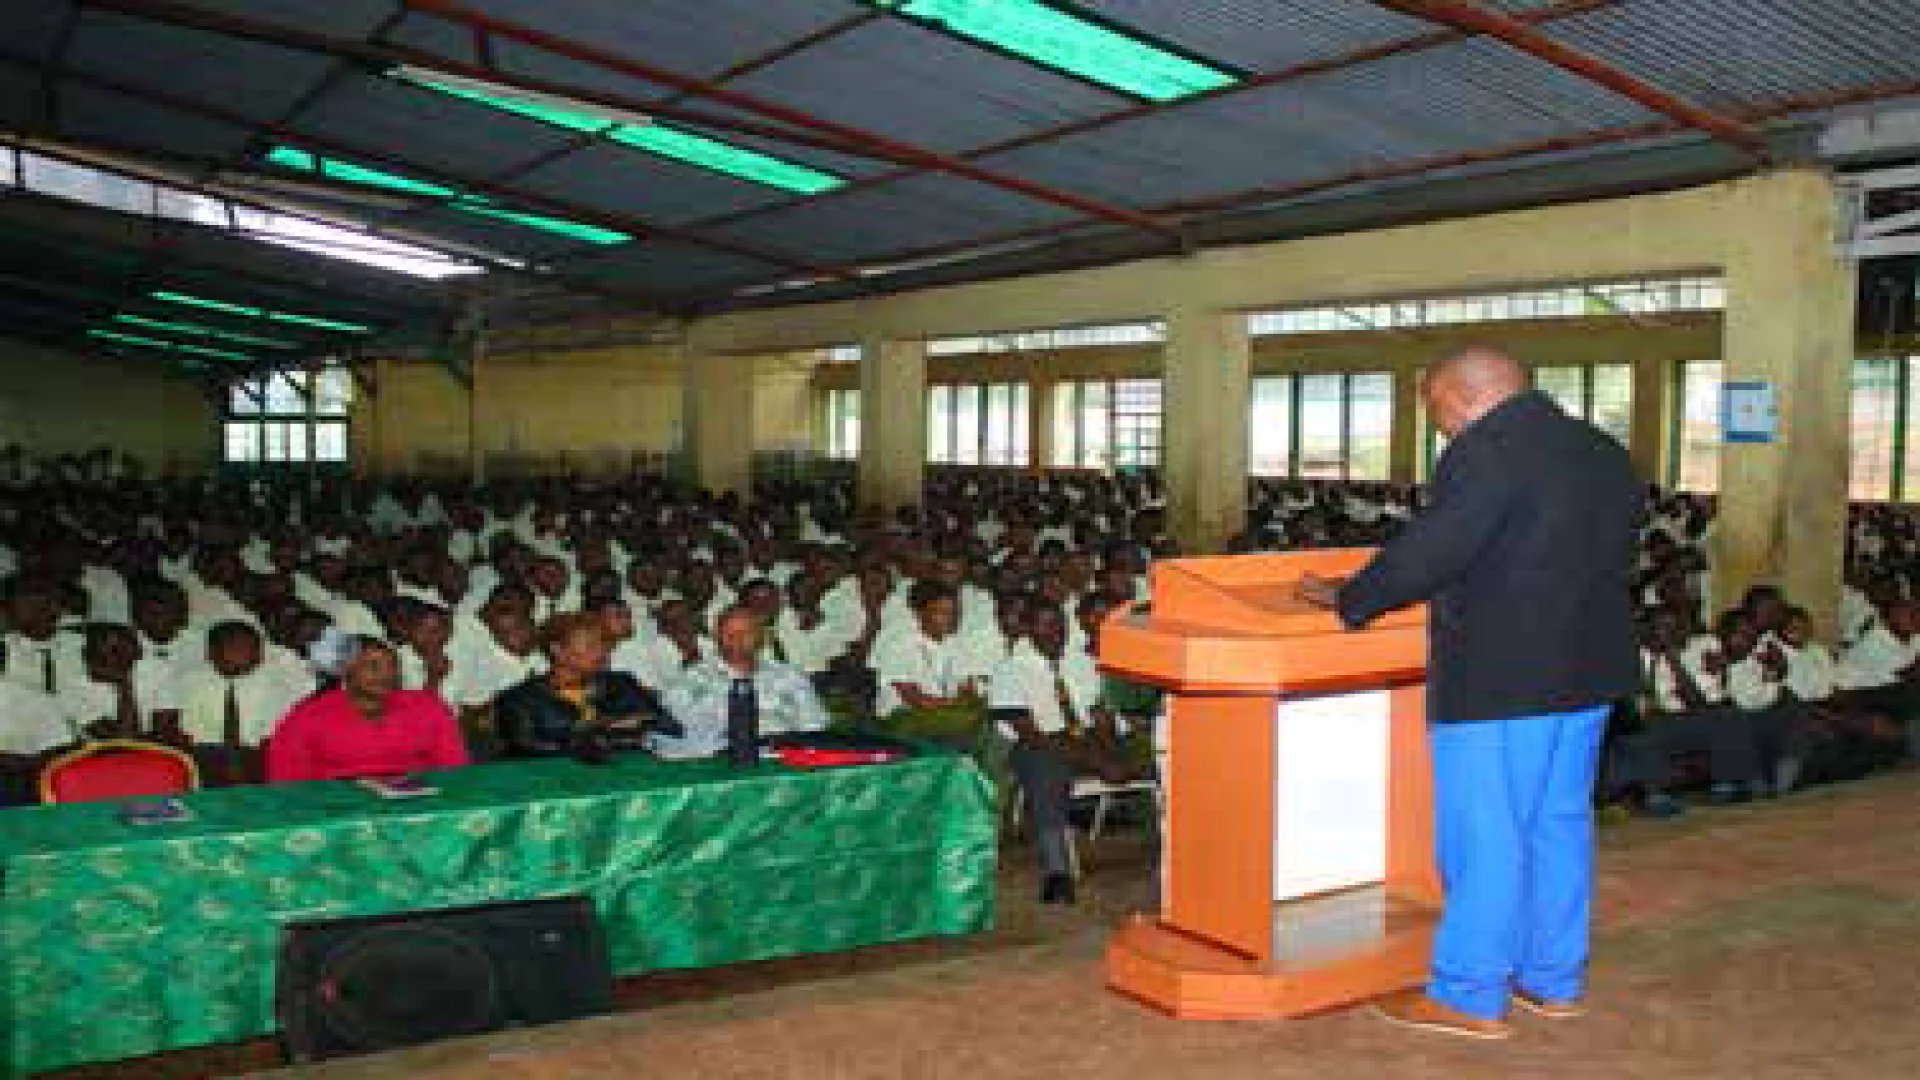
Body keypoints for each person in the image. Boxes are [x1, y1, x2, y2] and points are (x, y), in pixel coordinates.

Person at [1300, 346, 1643, 1040]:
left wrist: (1350, 599)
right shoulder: (1603, 448)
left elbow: (1437, 548)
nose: (1439, 429)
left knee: (1486, 835)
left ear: (1460, 396)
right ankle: (1552, 981)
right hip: (1586, 669)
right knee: (1557, 826)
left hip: (1502, 677)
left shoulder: (1487, 451)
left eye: (1434, 412)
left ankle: (1468, 993)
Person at [265, 636, 468, 784]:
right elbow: (287, 784)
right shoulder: (308, 716)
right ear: (345, 670)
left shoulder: (428, 707)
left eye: (392, 666)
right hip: (337, 811)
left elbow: (454, 770)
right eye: (373, 666)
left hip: (416, 805)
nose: (386, 674)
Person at [655, 604, 829, 760]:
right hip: (723, 764)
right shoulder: (689, 682)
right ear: (716, 636)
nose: (736, 639)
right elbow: (688, 736)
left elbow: (814, 728)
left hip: (785, 761)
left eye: (745, 633)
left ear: (761, 637)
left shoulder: (790, 677)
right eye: (729, 633)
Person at [494, 613, 657, 759]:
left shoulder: (622, 683)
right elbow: (524, 748)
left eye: (605, 646)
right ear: (557, 649)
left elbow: (663, 723)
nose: (602, 653)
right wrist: (599, 731)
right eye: (591, 646)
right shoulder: (520, 699)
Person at [173, 621, 314, 786]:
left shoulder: (280, 686)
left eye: (254, 648)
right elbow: (174, 731)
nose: (246, 654)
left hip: (259, 762)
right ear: (211, 653)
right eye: (235, 647)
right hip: (199, 759)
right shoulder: (188, 682)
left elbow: (279, 739)